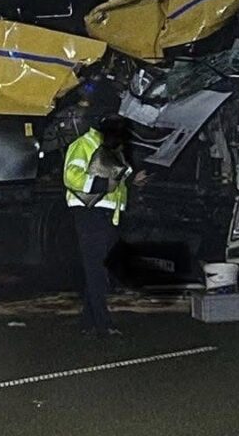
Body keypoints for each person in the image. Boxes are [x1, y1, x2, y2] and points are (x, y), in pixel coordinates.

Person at [63, 114, 144, 336]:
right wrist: (102, 184)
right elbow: (71, 177)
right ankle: (103, 323)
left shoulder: (110, 148)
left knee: (98, 267)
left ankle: (89, 322)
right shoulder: (83, 145)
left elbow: (116, 179)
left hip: (105, 214)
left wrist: (131, 179)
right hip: (89, 213)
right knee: (97, 269)